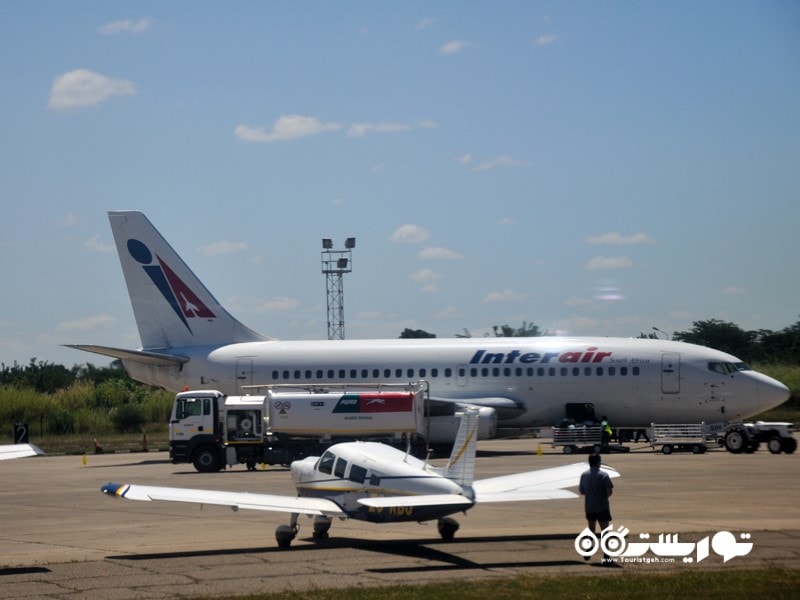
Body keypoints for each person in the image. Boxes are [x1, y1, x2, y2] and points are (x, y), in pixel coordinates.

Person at [579, 453, 614, 562]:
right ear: (599, 462)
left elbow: (582, 491)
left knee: (591, 530)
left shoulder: (584, 475)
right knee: (605, 532)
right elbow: (609, 491)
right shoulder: (603, 475)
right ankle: (606, 556)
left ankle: (589, 549)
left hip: (589, 506)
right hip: (602, 506)